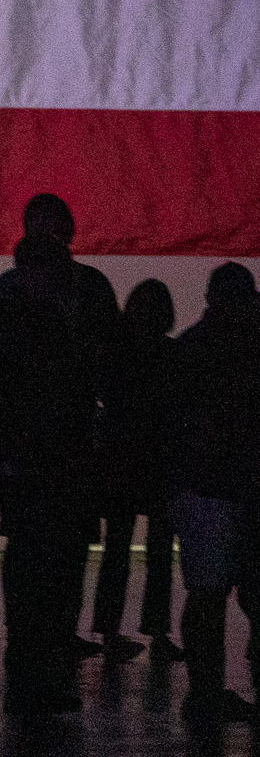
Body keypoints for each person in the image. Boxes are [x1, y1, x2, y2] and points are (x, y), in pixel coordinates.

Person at [0, 197, 118, 714]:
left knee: (45, 563)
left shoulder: (13, 309)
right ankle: (38, 663)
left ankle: (38, 662)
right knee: (47, 563)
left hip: (57, 457)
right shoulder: (42, 313)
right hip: (49, 458)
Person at [167, 261, 260, 728]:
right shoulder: (246, 349)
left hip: (203, 488)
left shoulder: (189, 350)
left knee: (205, 596)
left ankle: (205, 691)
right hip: (235, 486)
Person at [94, 276, 179, 660]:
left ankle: (110, 632)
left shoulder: (115, 353)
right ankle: (158, 634)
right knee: (159, 553)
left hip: (120, 459)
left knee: (116, 550)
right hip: (160, 461)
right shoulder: (171, 355)